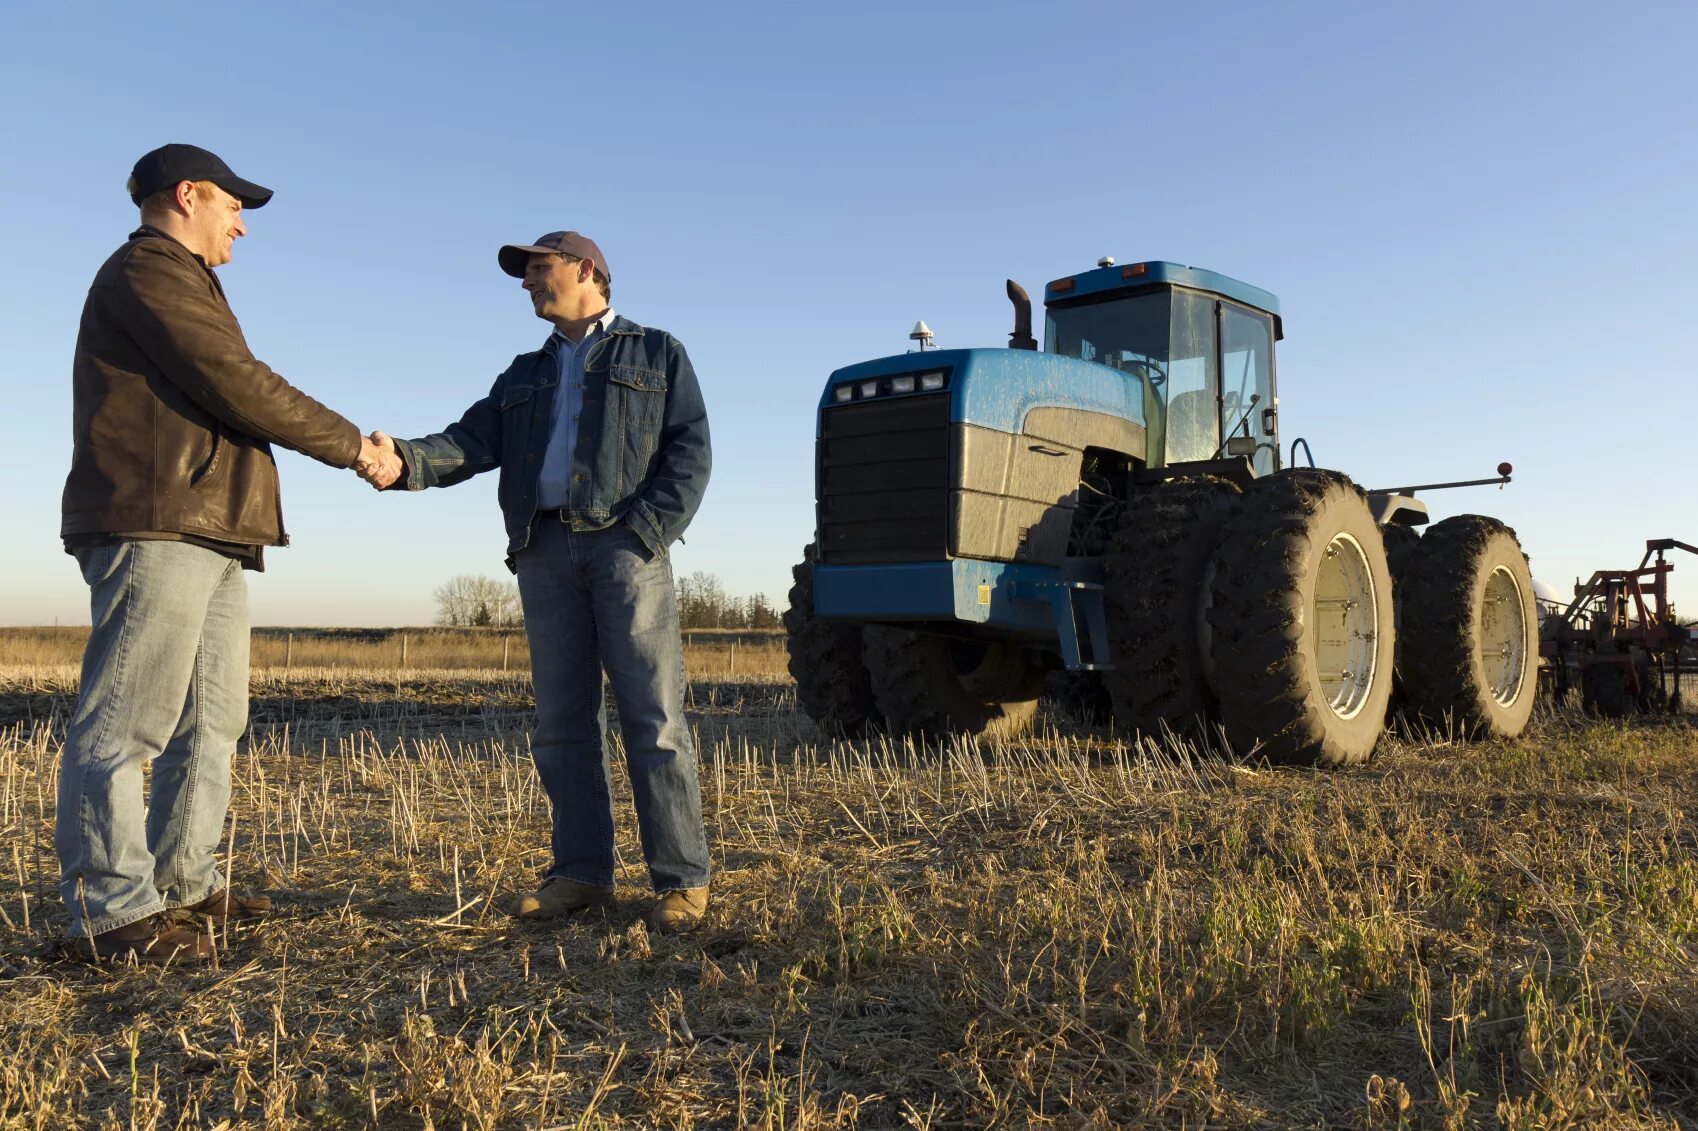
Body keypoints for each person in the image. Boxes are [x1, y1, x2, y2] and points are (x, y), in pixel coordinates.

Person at [59, 144, 389, 963]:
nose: (242, 221)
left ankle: (184, 883)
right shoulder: (148, 271)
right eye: (234, 204)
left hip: (211, 525)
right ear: (187, 195)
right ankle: (113, 913)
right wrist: (354, 446)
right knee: (128, 720)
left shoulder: (187, 279)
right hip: (158, 519)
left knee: (210, 721)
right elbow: (236, 380)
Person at [358, 230, 713, 933]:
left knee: (655, 716)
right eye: (523, 273)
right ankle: (582, 874)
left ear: (587, 269)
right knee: (561, 724)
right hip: (543, 550)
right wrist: (401, 457)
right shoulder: (523, 373)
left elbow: (691, 450)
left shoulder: (657, 352)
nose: (526, 281)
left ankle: (680, 880)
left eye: (538, 268)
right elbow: (468, 440)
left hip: (626, 548)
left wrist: (643, 533)